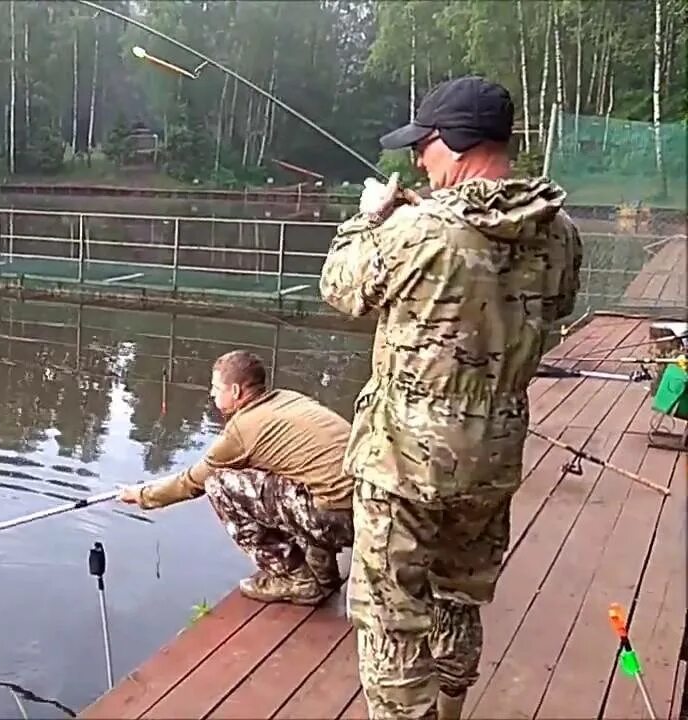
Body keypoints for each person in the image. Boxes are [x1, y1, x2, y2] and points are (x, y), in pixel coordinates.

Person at [318, 76, 582, 720]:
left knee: (391, 616)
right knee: (459, 596)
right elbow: (557, 308)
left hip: (404, 458)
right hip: (494, 453)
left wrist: (369, 216)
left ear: (457, 145)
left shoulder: (419, 230)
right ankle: (452, 710)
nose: (418, 160)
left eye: (425, 146)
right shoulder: (561, 230)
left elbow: (340, 286)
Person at [117, 350, 355, 606]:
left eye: (215, 387)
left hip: (340, 519)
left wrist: (141, 494)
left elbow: (191, 482)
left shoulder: (241, 431)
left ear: (236, 392)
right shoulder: (287, 398)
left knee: (219, 484)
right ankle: (322, 569)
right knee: (286, 477)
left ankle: (294, 579)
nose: (211, 393)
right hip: (371, 509)